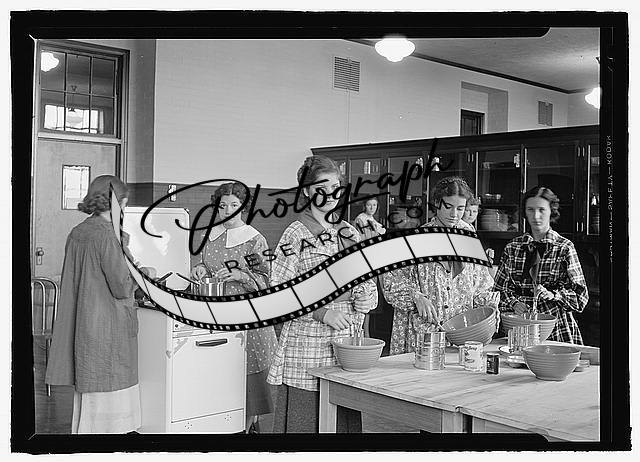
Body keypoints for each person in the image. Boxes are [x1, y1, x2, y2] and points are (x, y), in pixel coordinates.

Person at [267, 155, 378, 433]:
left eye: (335, 187)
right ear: (306, 191)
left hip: (347, 350)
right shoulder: (295, 234)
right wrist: (321, 312)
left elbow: (368, 283)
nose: (330, 195)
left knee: (342, 423)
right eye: (321, 188)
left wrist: (367, 298)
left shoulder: (349, 232)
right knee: (308, 426)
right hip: (308, 350)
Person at [45, 175, 154, 434]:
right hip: (108, 325)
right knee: (111, 389)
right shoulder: (109, 236)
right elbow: (121, 286)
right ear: (120, 203)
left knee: (89, 390)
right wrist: (144, 273)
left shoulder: (79, 232)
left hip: (84, 323)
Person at [191, 182, 278, 434]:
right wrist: (200, 269)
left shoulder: (254, 239)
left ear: (243, 207)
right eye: (222, 206)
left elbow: (266, 280)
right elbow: (205, 264)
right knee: (222, 374)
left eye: (234, 205)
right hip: (216, 315)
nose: (227, 211)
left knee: (247, 380)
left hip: (247, 318)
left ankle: (246, 430)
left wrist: (240, 275)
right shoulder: (211, 235)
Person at [382, 177, 499, 355]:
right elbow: (391, 282)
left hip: (462, 334)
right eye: (448, 206)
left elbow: (481, 283)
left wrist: (490, 310)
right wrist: (416, 297)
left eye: (460, 208)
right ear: (437, 203)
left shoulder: (468, 236)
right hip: (426, 332)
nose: (454, 214)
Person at [493, 186, 588, 344]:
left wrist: (554, 295)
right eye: (530, 210)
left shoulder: (564, 248)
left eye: (541, 210)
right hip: (518, 328)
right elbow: (497, 291)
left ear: (551, 211)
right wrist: (513, 303)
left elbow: (581, 297)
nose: (536, 216)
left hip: (556, 329)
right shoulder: (512, 248)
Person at [353, 198, 386, 337]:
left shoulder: (373, 221)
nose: (372, 207)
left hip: (373, 261)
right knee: (364, 297)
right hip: (365, 261)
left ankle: (366, 333)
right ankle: (363, 333)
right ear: (364, 206)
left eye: (374, 205)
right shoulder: (361, 220)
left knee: (371, 300)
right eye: (369, 205)